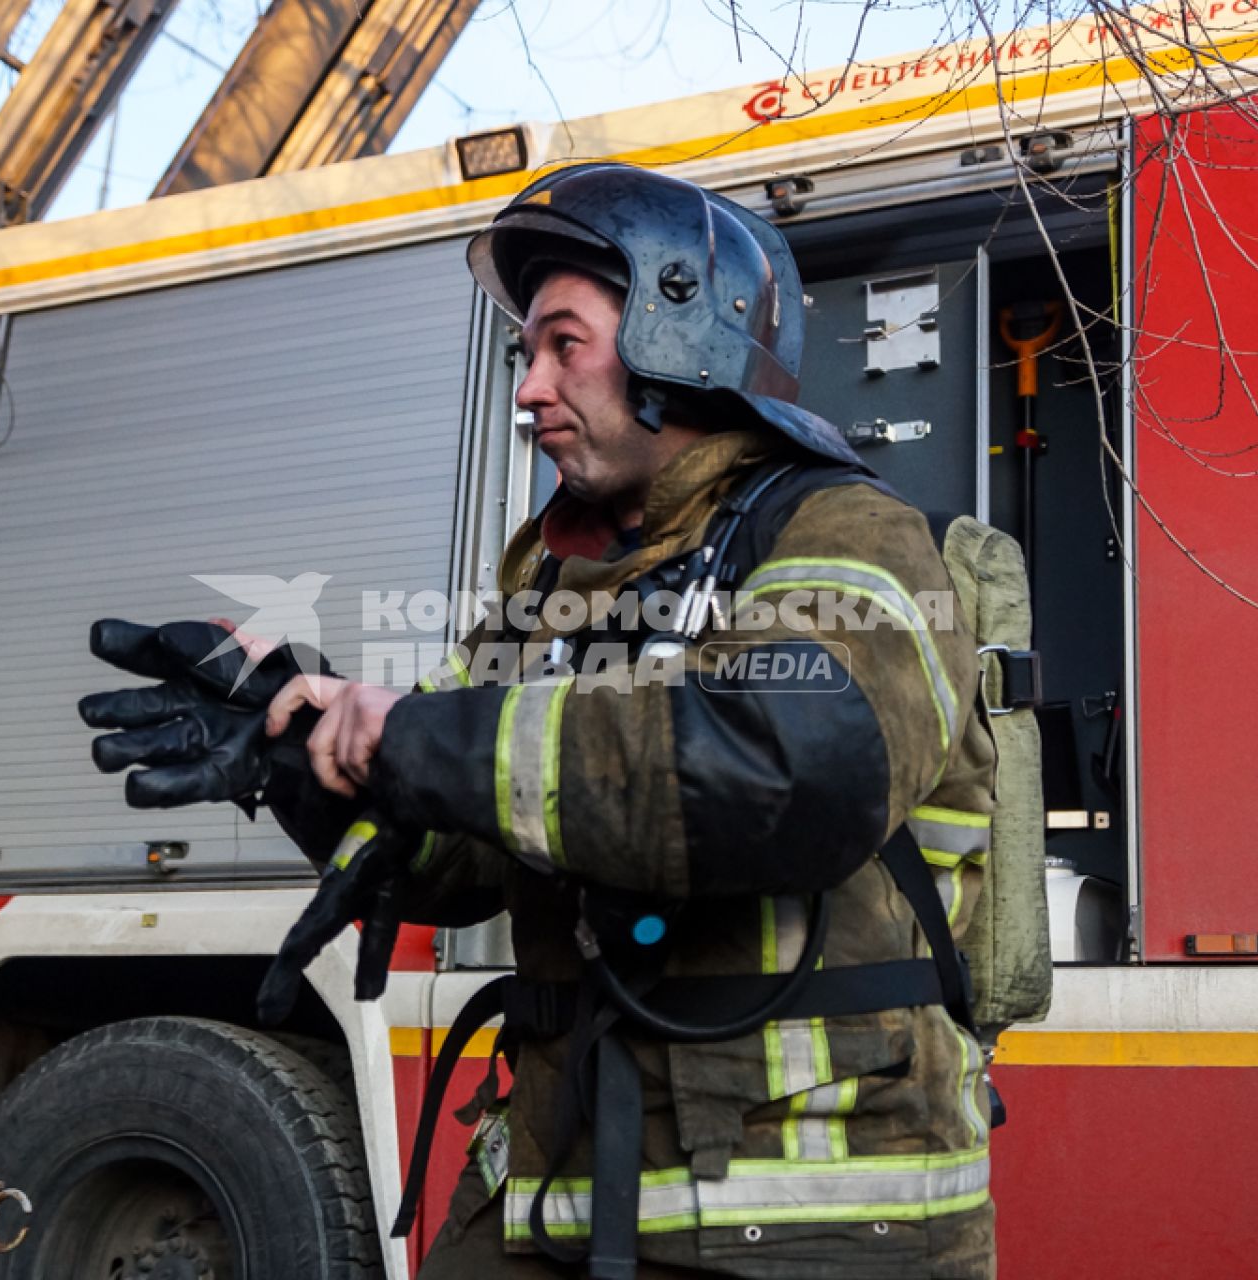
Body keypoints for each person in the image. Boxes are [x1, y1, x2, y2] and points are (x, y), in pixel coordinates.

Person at [90, 162, 998, 1279]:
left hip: (809, 1216)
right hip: (563, 1187)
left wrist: (410, 737)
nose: (528, 387)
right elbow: (453, 856)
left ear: (682, 330)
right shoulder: (557, 581)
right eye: (527, 351)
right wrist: (298, 750)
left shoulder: (845, 530)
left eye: (562, 343)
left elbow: (792, 766)